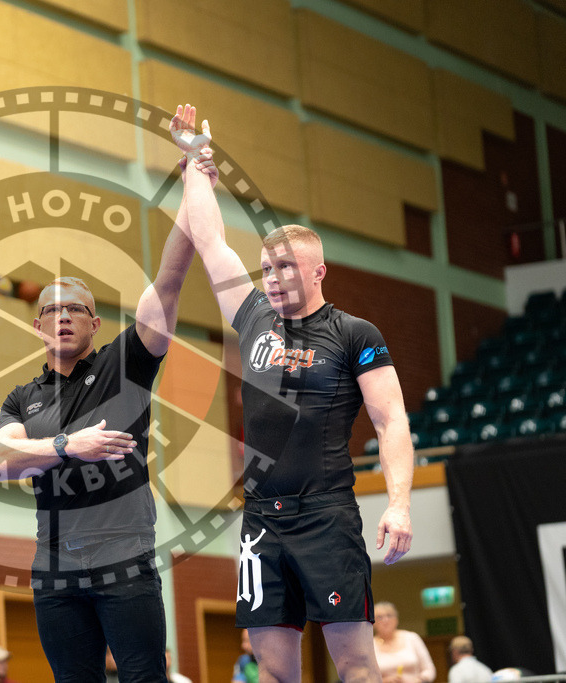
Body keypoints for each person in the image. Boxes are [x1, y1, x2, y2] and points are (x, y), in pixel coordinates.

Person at [171, 103, 414, 683]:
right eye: (265, 269)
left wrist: (400, 502)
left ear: (318, 271)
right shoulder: (253, 318)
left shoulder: (354, 334)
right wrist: (195, 162)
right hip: (260, 520)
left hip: (327, 514)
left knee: (356, 665)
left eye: (284, 268)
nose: (272, 279)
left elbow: (391, 419)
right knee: (276, 672)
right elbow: (209, 242)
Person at [0, 104, 202, 683]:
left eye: (75, 310)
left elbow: (171, 281)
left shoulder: (124, 365)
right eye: (50, 310)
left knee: (142, 678)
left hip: (124, 557)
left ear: (95, 324)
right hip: (54, 566)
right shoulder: (21, 397)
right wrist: (63, 446)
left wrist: (194, 182)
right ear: (36, 326)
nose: (62, 317)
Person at [372, 602, 435, 683]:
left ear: (396, 619)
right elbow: (367, 676)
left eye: (389, 615)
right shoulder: (370, 645)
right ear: (373, 622)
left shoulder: (411, 637)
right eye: (379, 617)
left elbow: (429, 669)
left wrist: (420, 680)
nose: (385, 620)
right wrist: (384, 681)